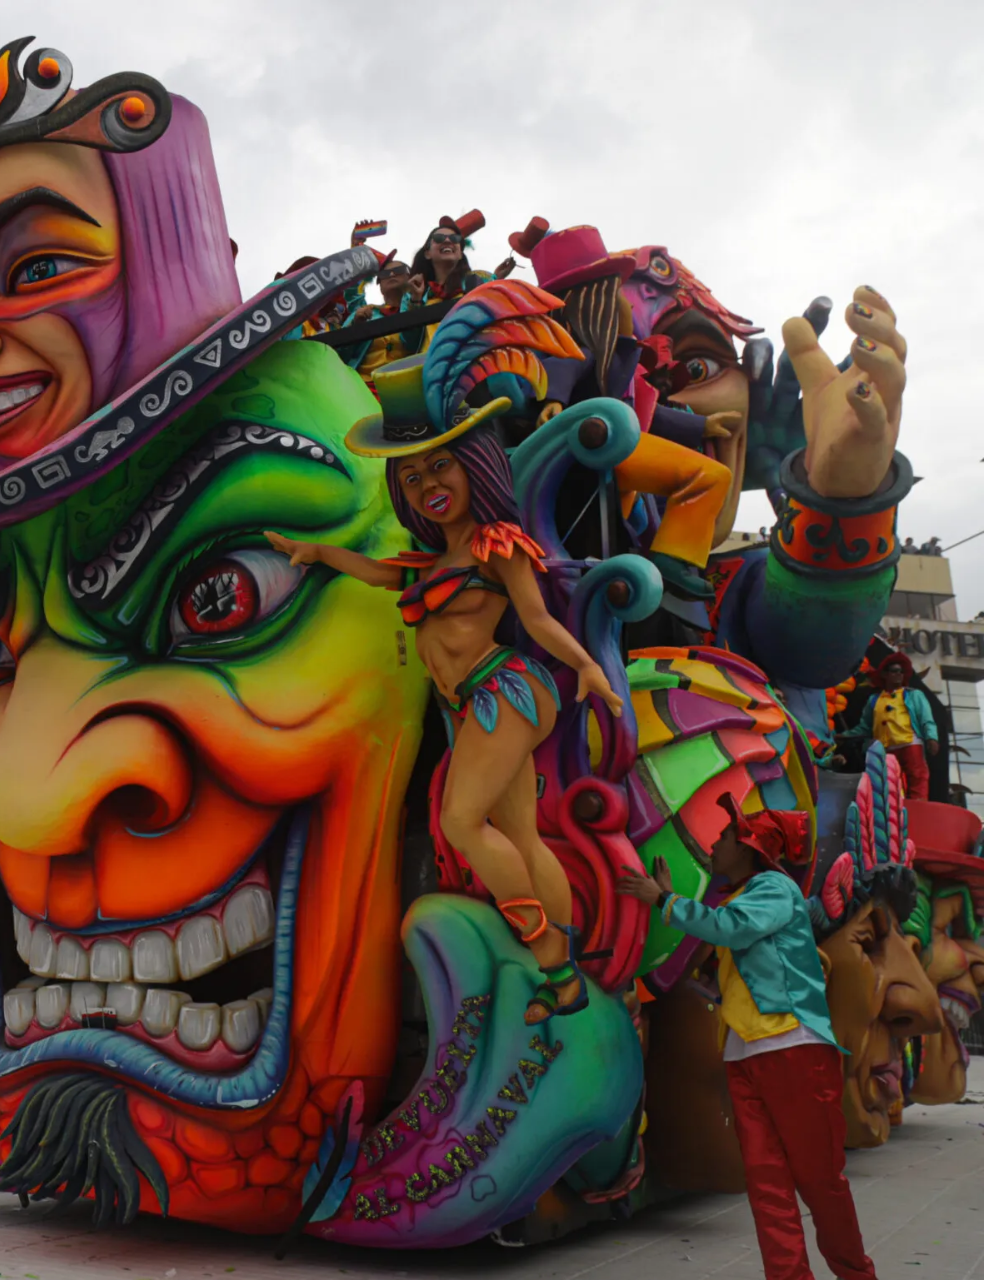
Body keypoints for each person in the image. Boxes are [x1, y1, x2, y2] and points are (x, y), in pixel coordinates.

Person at [268, 353, 624, 1023]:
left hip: (504, 691)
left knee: (462, 822)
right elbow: (376, 574)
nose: (429, 481)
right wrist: (316, 554)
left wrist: (586, 665)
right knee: (523, 834)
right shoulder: (428, 563)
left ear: (475, 466)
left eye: (442, 464)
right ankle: (570, 980)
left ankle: (547, 950)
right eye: (413, 473)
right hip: (473, 706)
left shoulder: (497, 545)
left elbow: (539, 617)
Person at [618, 801, 877, 1280]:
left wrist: (662, 900)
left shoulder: (775, 888)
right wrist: (673, 902)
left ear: (750, 845)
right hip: (747, 1050)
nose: (715, 845)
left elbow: (730, 930)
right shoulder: (746, 895)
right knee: (767, 1184)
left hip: (792, 1046)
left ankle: (857, 1275)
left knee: (818, 1180)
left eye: (723, 838)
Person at [857, 652, 939, 799]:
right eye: (895, 671)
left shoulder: (914, 695)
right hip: (884, 748)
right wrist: (845, 736)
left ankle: (919, 807)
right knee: (886, 782)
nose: (899, 674)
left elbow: (926, 719)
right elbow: (864, 727)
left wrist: (931, 737)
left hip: (910, 743)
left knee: (917, 776)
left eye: (901, 672)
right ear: (885, 674)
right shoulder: (874, 700)